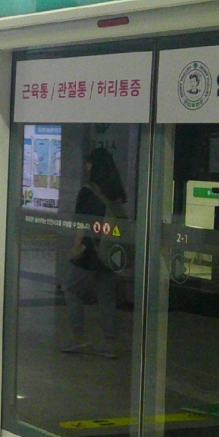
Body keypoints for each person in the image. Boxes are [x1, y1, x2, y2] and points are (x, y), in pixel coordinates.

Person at [61, 147, 128, 358]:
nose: (86, 166)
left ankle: (78, 337)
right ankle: (109, 343)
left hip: (90, 252)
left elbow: (82, 224)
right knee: (106, 298)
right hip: (109, 251)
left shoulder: (87, 191)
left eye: (88, 163)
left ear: (94, 166)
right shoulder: (115, 191)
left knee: (71, 290)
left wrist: (76, 247)